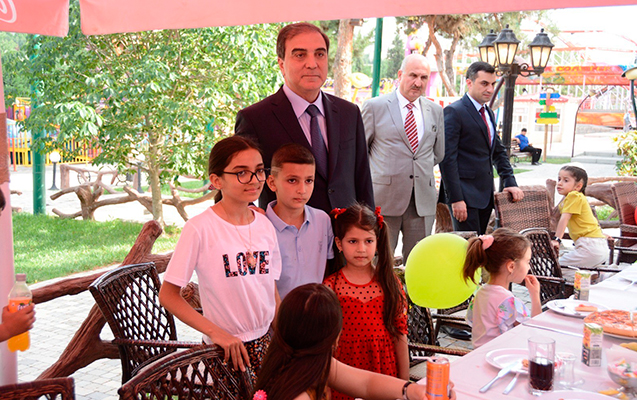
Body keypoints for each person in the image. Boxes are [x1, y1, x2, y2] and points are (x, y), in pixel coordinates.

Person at [159, 136, 282, 382]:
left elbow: (271, 290)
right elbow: (168, 295)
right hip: (225, 351)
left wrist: (285, 338)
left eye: (259, 171)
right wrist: (216, 333)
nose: (254, 180)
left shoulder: (265, 225)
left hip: (267, 344)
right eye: (241, 173)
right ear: (216, 180)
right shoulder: (200, 228)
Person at [235, 22, 374, 214]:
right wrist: (251, 214)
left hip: (346, 230)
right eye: (300, 55)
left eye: (320, 54)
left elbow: (362, 179)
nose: (312, 64)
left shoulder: (349, 113)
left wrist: (369, 225)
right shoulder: (255, 119)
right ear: (281, 64)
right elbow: (239, 181)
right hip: (286, 230)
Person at [254, 283, 456, 400]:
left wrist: (411, 390)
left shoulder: (304, 361)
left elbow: (365, 383)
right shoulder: (298, 394)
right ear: (332, 337)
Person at [362, 54, 444, 264]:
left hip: (422, 201)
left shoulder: (435, 111)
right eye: (413, 75)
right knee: (379, 262)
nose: (418, 82)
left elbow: (438, 153)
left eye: (423, 78)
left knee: (420, 263)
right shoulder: (375, 107)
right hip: (384, 200)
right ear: (400, 75)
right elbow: (361, 153)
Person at [323, 204, 408, 400]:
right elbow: (324, 345)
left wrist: (405, 384)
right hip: (343, 373)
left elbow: (400, 334)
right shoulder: (330, 287)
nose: (361, 249)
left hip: (384, 368)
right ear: (339, 243)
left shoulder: (390, 283)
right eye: (353, 241)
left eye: (368, 241)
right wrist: (325, 385)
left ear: (377, 242)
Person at [439, 61, 524, 235]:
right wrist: (456, 199)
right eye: (484, 83)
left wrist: (509, 181)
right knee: (467, 246)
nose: (490, 89)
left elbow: (498, 151)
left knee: (480, 244)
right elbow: (447, 159)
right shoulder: (454, 112)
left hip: (485, 195)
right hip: (463, 196)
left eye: (493, 84)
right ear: (469, 83)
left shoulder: (488, 113)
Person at [265, 144, 334, 299]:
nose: (302, 190)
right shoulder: (260, 226)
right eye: (292, 180)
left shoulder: (323, 220)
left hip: (316, 309)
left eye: (308, 180)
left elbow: (328, 270)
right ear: (272, 183)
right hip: (276, 313)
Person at [463, 228, 542, 348]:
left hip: (479, 354)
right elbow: (534, 331)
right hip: (499, 356)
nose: (528, 267)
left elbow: (471, 320)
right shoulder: (508, 301)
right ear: (511, 266)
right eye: (527, 261)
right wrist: (535, 296)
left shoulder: (480, 293)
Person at [551, 165, 608, 268]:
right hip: (597, 245)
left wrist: (557, 239)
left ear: (578, 186)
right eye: (559, 179)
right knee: (576, 269)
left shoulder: (573, 196)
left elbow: (564, 218)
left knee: (557, 268)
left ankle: (595, 276)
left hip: (589, 246)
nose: (559, 183)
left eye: (566, 180)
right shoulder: (576, 198)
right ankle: (597, 275)